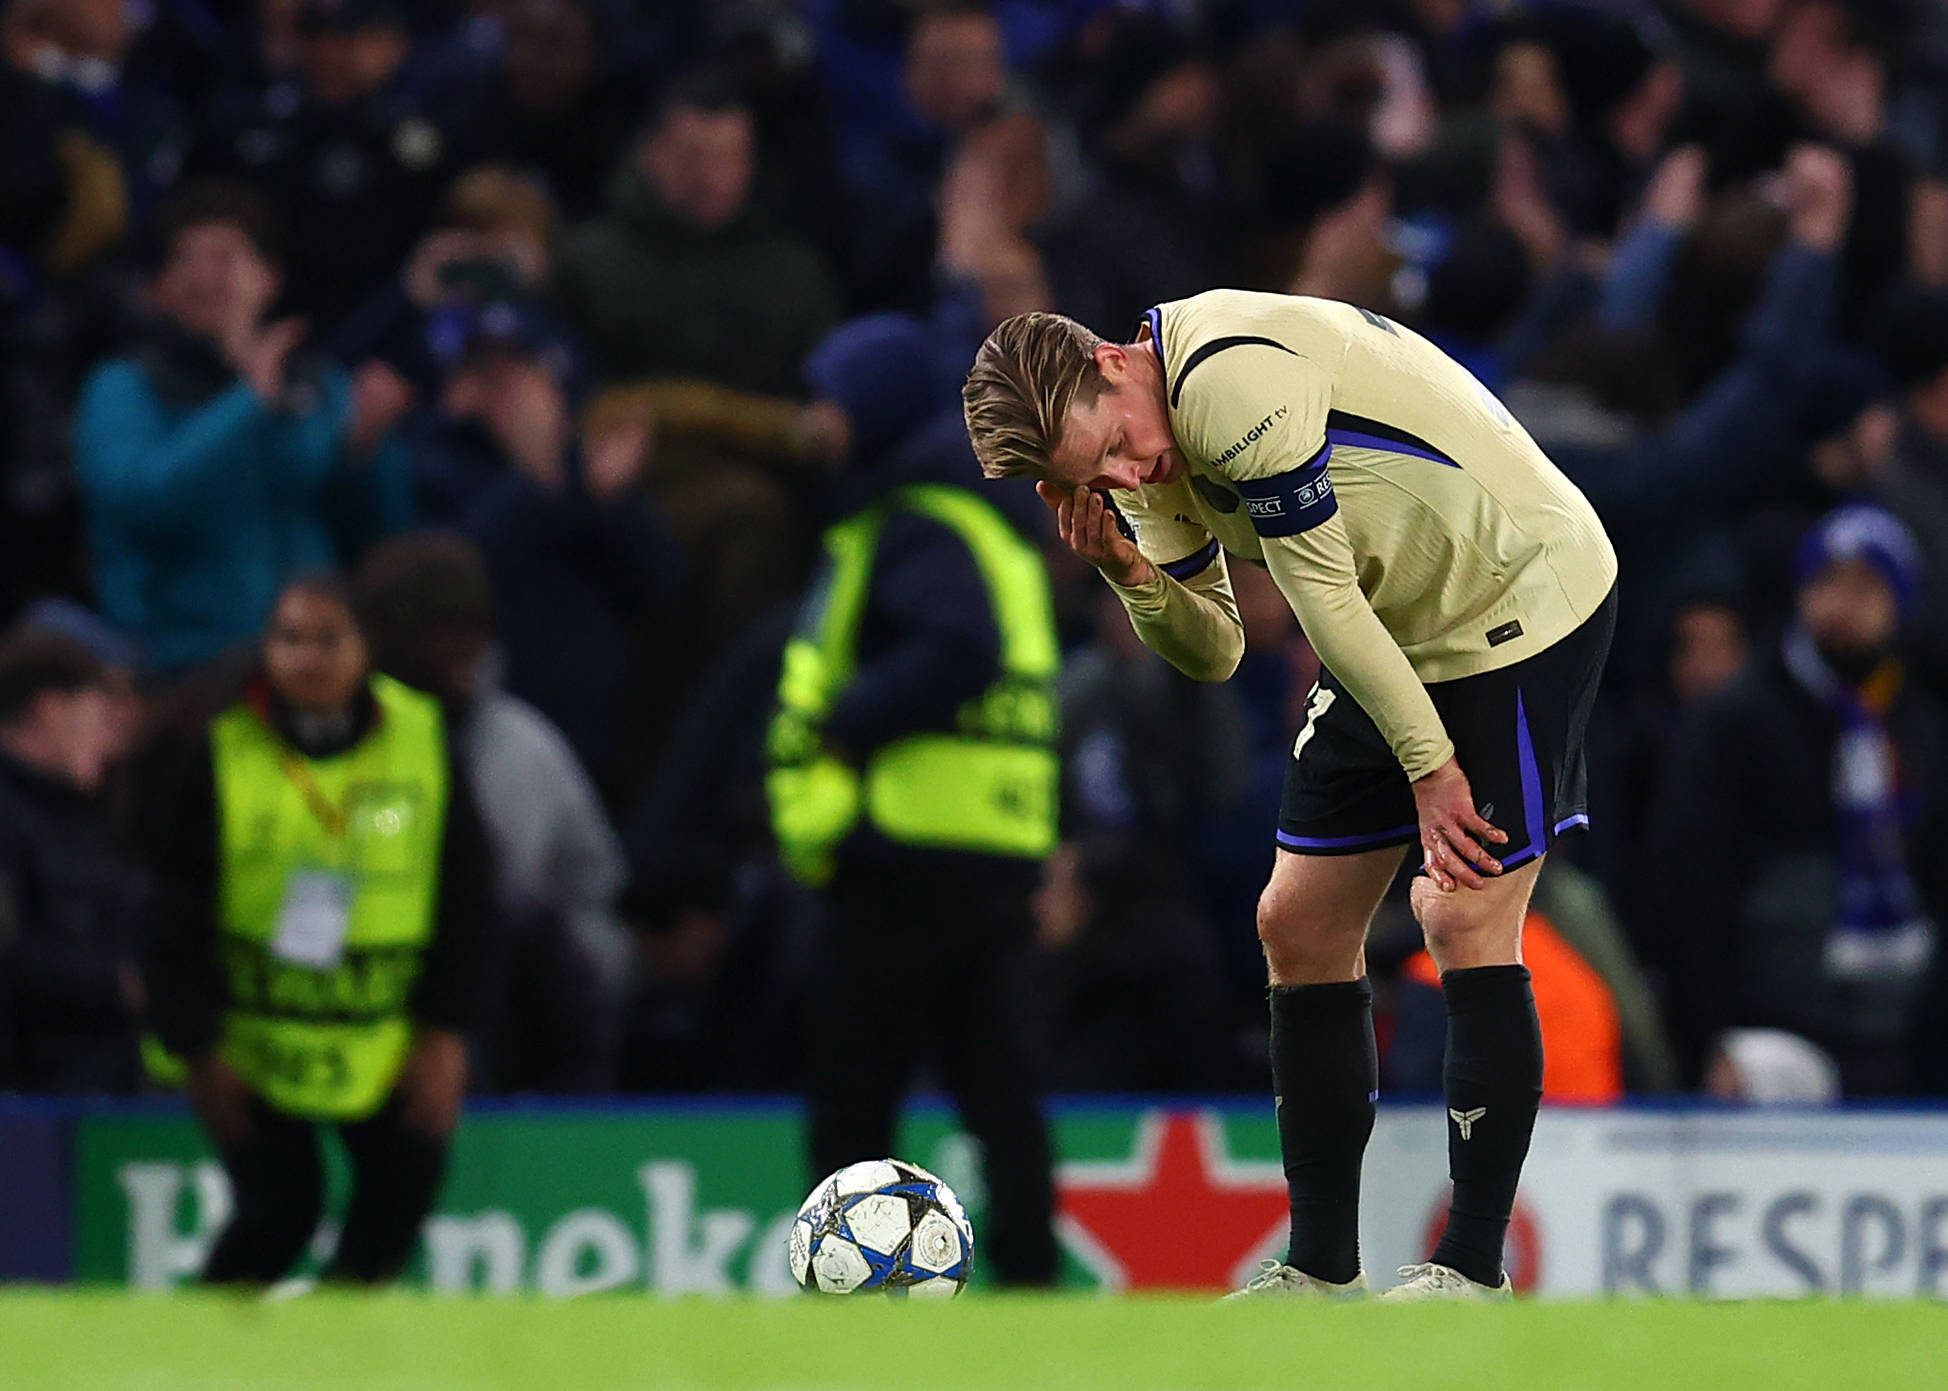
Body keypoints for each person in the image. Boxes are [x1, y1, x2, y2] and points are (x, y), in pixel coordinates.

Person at [962, 290, 1617, 1299]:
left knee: (1461, 903)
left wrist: (1431, 770)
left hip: (1515, 600)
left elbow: (1319, 599)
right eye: (1094, 478)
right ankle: (1319, 1267)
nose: (1129, 474)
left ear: (1110, 360)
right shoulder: (1140, 440)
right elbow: (1217, 647)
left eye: (1117, 449)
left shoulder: (1228, 382)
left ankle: (1471, 1269)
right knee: (1297, 920)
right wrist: (1131, 570)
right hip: (1397, 621)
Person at [768, 314, 1060, 1287]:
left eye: (828, 400)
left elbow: (957, 650)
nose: (813, 422)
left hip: (906, 848)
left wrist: (849, 721)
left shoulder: (917, 525)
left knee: (854, 1094)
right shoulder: (983, 527)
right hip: (990, 841)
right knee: (1000, 1090)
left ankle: (849, 1286)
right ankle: (1028, 1290)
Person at [141, 574, 495, 1286]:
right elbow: (170, 913)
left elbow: (467, 893)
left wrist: (444, 1030)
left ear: (366, 648)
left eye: (327, 639)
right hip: (255, 1040)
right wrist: (198, 1047)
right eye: (289, 639)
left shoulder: (421, 737)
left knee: (399, 1201)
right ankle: (193, 1358)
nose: (307, 658)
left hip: (382, 1040)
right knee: (280, 1209)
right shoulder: (218, 743)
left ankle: (330, 1356)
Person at [1645, 505, 1948, 1096]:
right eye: (1826, 582)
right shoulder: (1740, 718)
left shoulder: (1920, 721)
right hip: (1770, 1027)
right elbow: (1690, 884)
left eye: (1866, 586)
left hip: (1903, 1027)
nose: (1841, 605)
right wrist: (1708, 1034)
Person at [72, 179, 414, 675]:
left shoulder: (318, 386)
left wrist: (368, 453)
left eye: (224, 257)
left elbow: (378, 538)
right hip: (180, 667)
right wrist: (247, 402)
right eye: (183, 260)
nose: (202, 276)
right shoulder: (123, 385)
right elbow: (139, 499)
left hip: (311, 663)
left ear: (270, 277)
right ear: (160, 288)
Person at [353, 530, 633, 1092]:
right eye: (441, 633)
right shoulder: (347, 737)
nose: (466, 651)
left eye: (474, 631)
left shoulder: (513, 744)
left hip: (542, 973)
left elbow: (498, 893)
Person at [0, 627, 147, 1093]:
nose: (115, 731)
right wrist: (119, 985)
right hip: (24, 1101)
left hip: (110, 1087)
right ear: (50, 710)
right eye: (102, 710)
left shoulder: (98, 812)